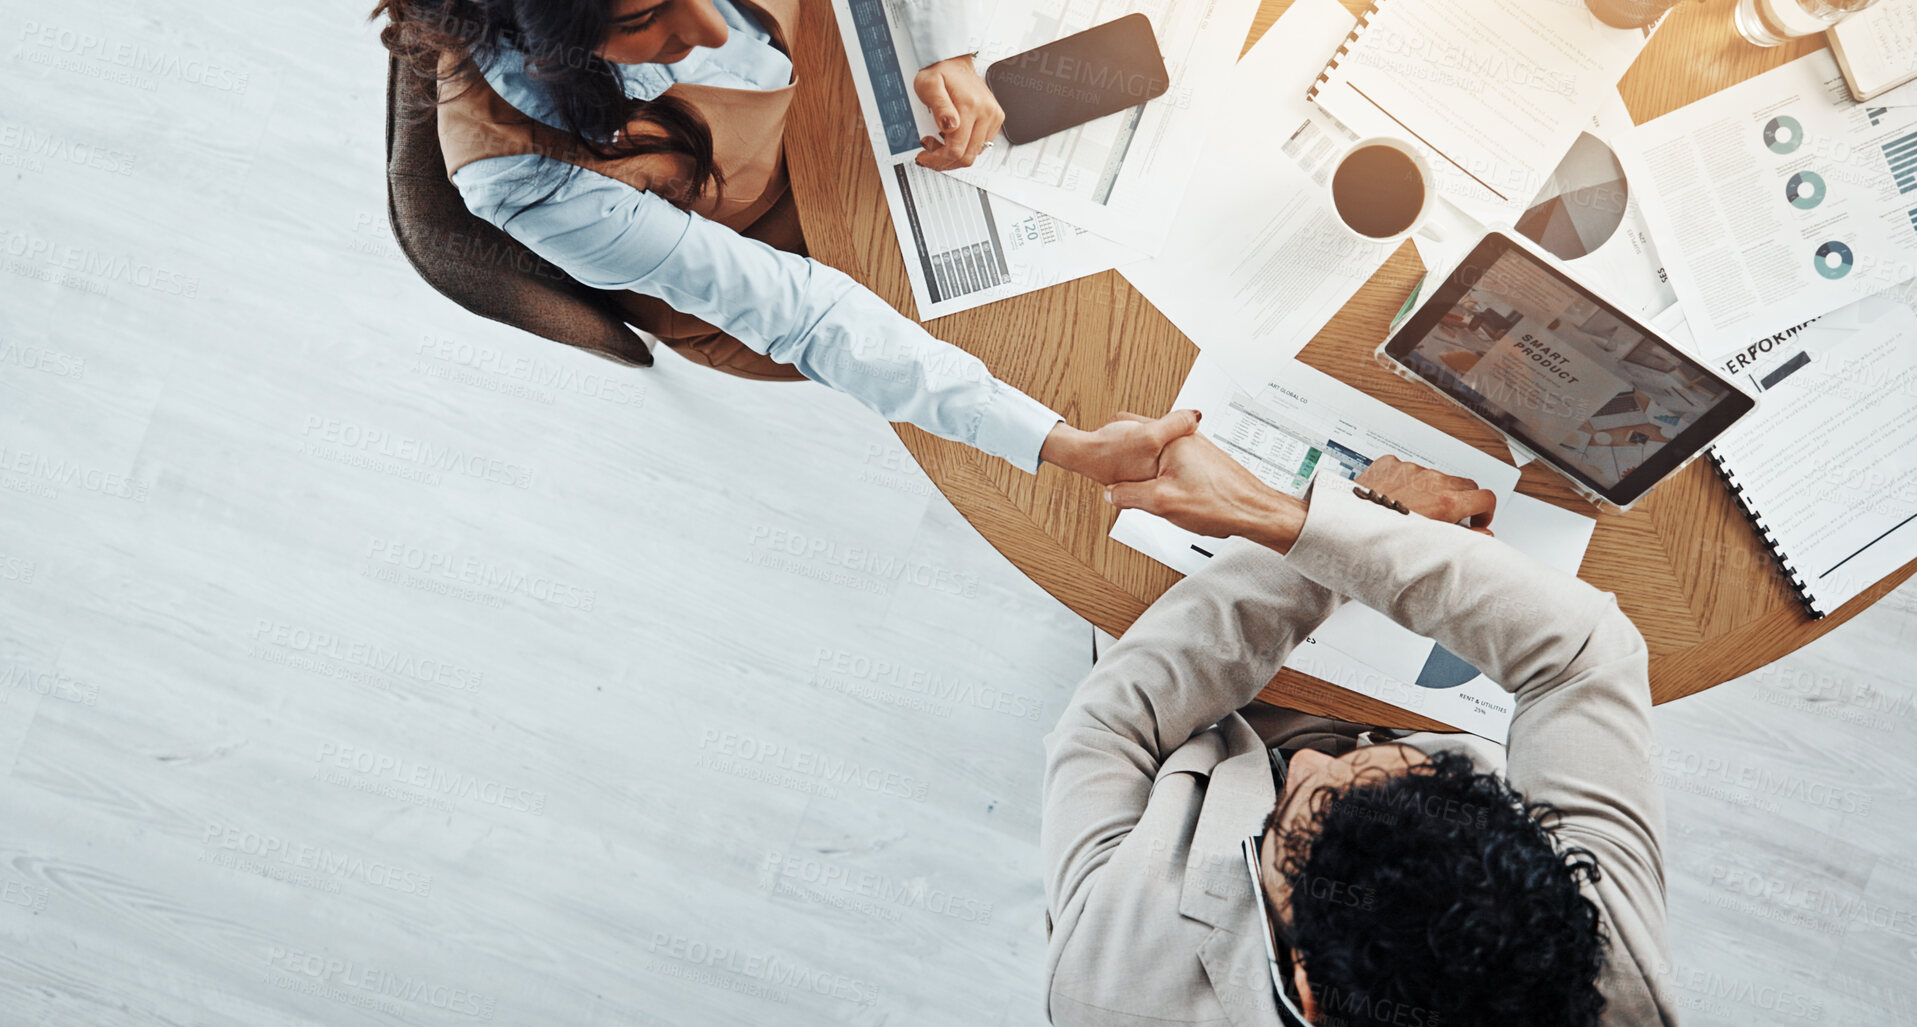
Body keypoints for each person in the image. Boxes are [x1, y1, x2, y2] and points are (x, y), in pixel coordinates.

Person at [373, 0, 1188, 483]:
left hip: (841, 99)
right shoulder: (523, 174)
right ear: (541, 35)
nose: (712, 29)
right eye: (642, 16)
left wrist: (947, 42)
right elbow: (802, 315)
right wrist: (1057, 445)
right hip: (775, 250)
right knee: (1074, 343)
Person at [1042, 426, 1674, 1026]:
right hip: (1432, 711)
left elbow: (1109, 727)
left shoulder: (1108, 986)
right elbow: (1582, 654)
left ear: (1310, 993)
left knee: (1103, 565)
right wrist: (1311, 527)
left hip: (1203, 713)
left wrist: (1353, 525)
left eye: (1282, 827)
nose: (1311, 766)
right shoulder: (1599, 954)